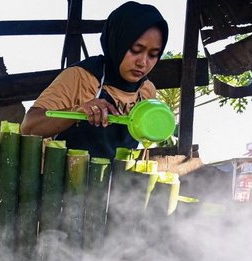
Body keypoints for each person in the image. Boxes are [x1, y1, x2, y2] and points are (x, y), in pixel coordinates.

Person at [20, 1, 169, 160]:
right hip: (64, 180)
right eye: (136, 50)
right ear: (117, 42)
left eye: (153, 54)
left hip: (117, 183)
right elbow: (29, 127)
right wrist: (76, 111)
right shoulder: (80, 77)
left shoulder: (146, 90)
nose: (143, 62)